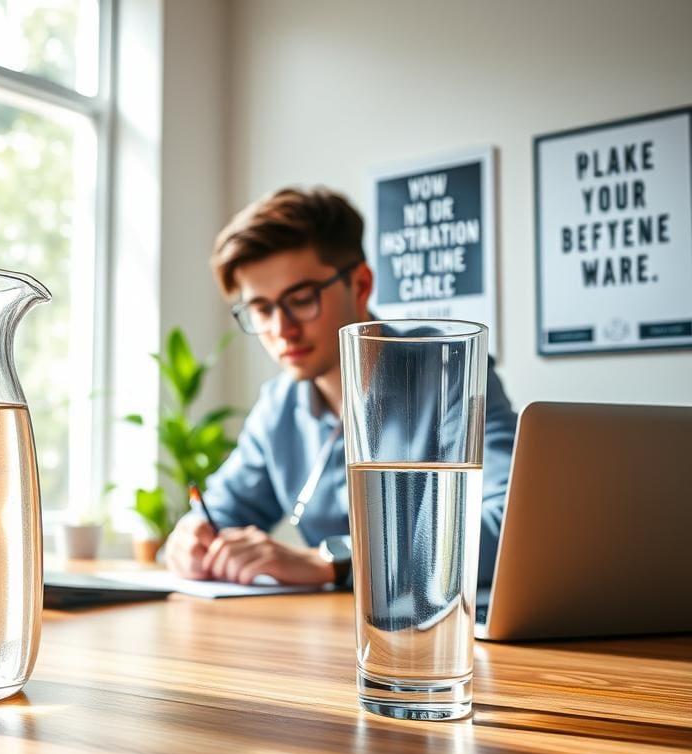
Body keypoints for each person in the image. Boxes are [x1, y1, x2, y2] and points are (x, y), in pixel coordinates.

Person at [165, 187, 517, 588]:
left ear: (361, 285)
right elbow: (219, 513)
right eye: (261, 309)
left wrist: (335, 561)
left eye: (301, 299)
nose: (282, 329)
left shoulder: (450, 370)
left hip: (440, 623)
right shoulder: (278, 406)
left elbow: (510, 524)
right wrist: (191, 539)